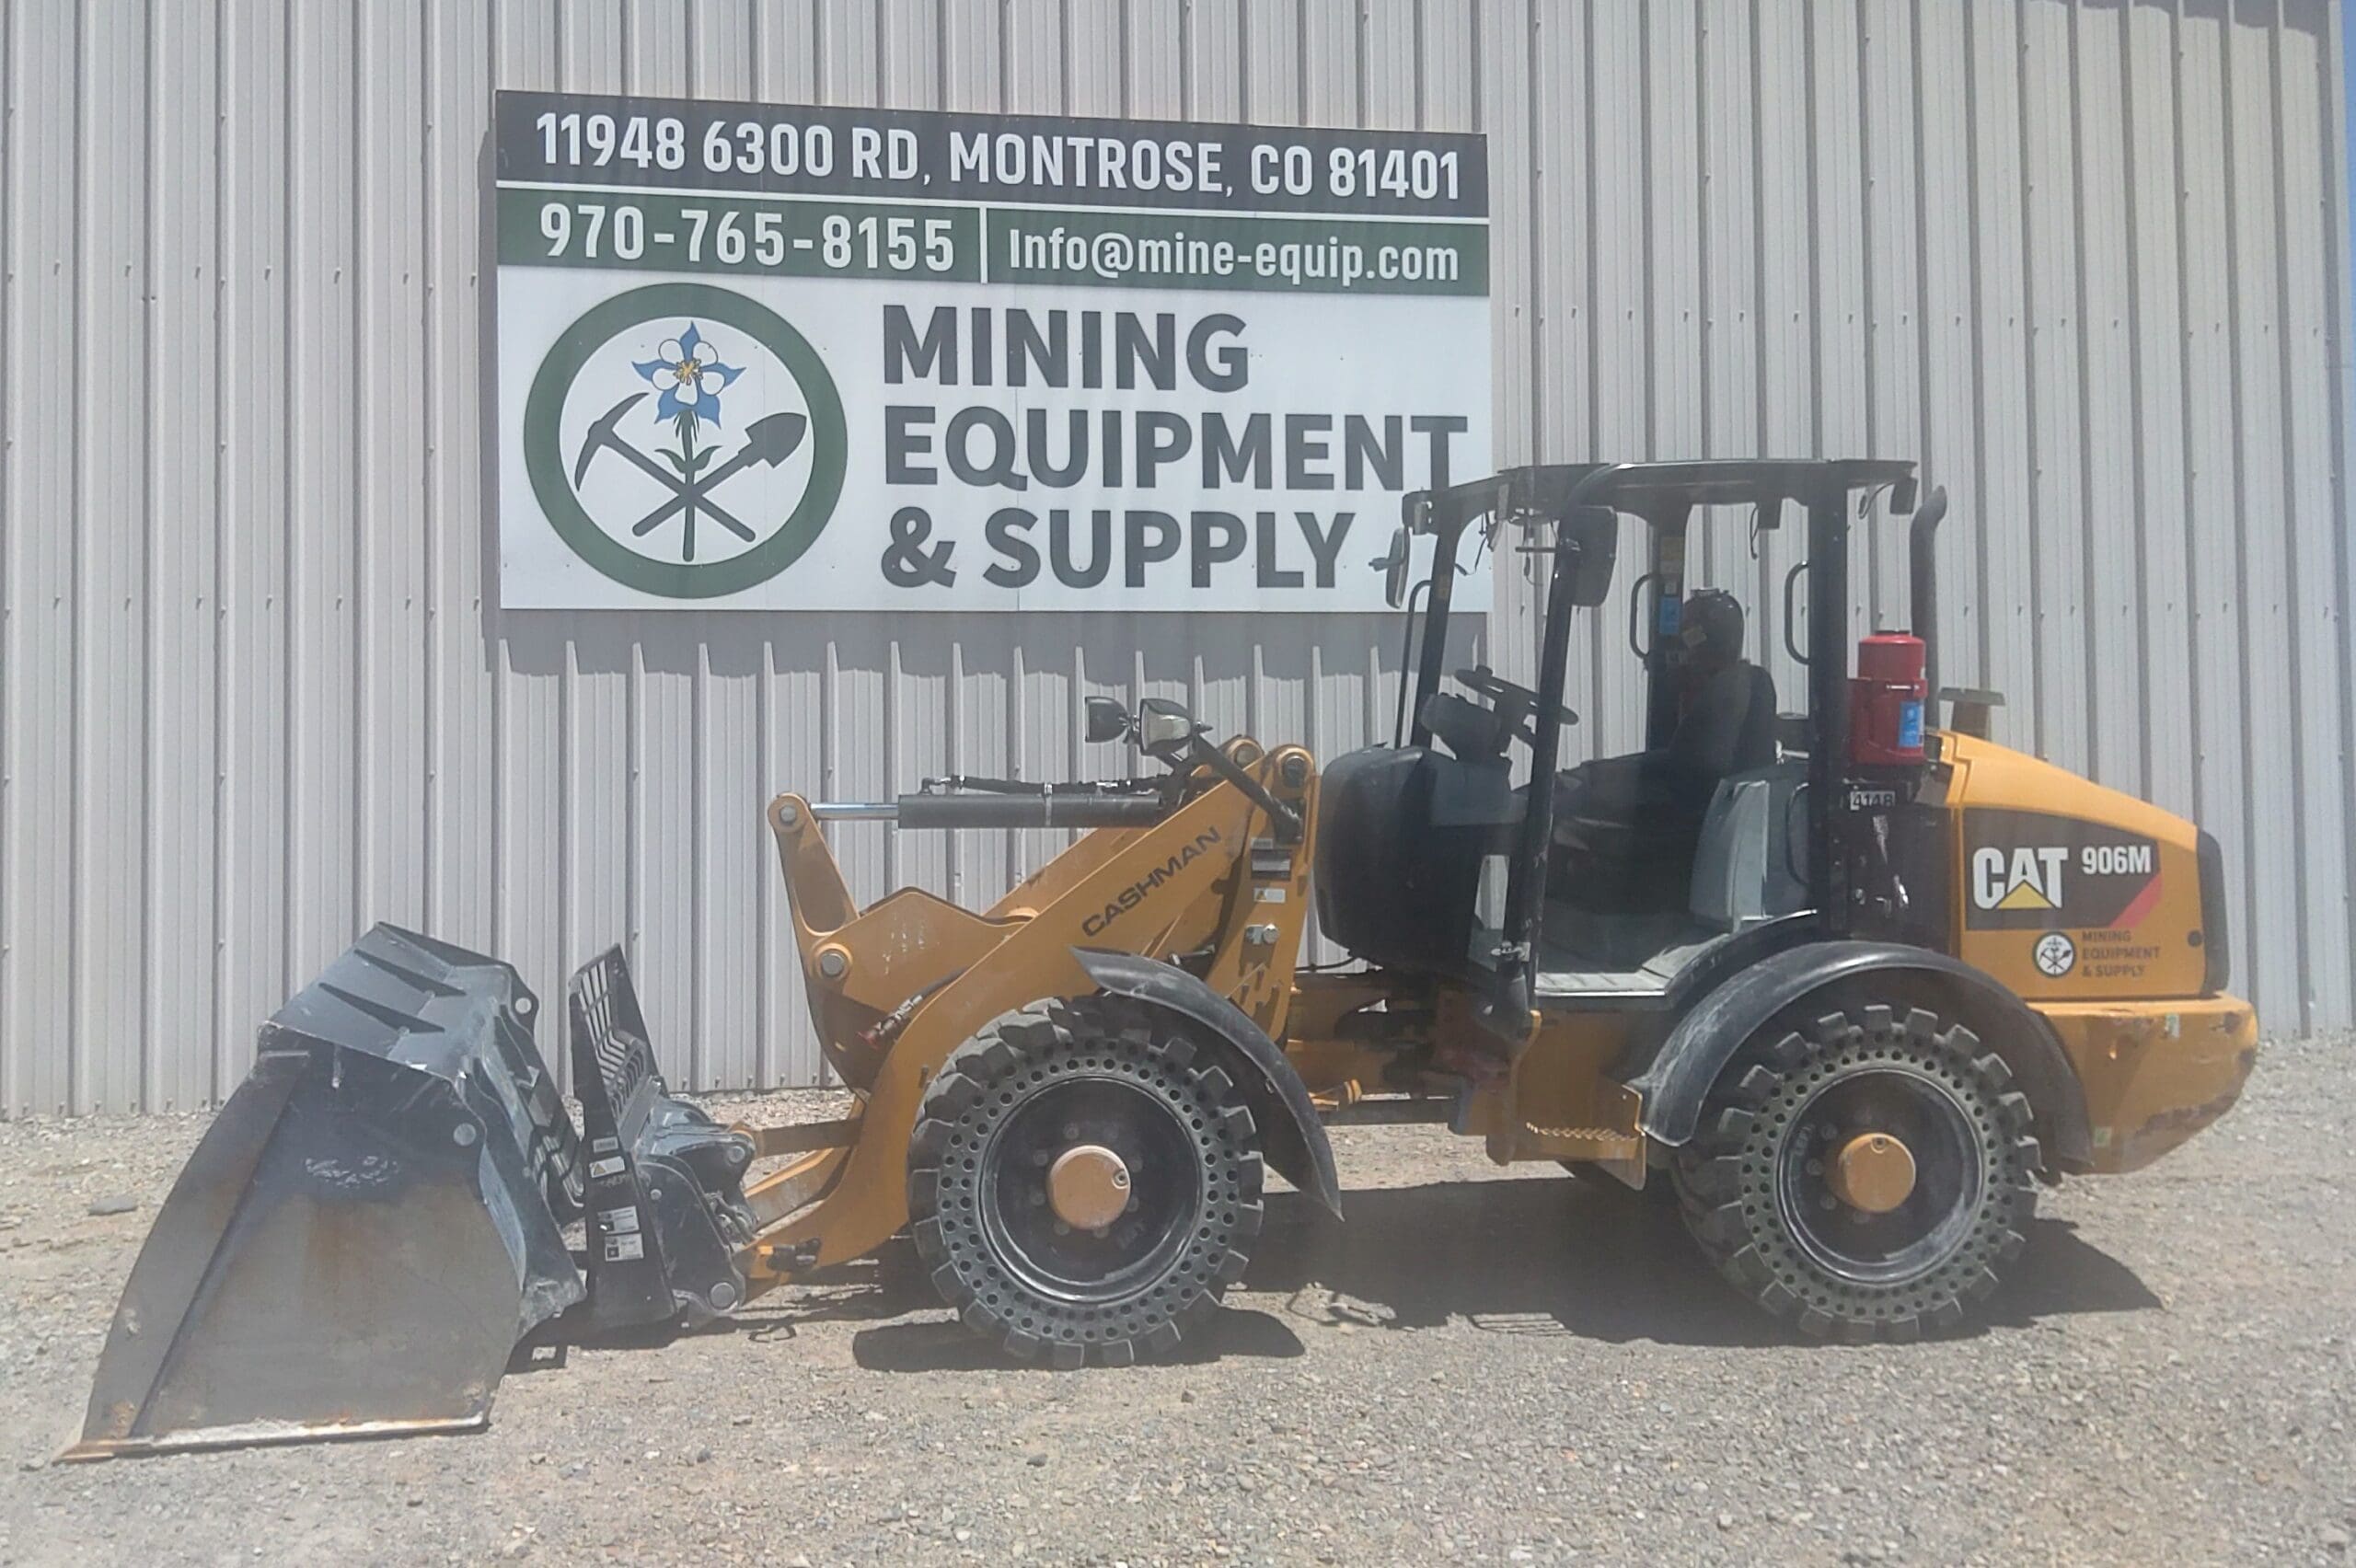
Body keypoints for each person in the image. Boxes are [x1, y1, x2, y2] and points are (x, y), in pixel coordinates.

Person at [1550, 588, 1774, 906]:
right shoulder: (1734, 684)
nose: (1683, 650)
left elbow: (1692, 765)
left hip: (1691, 811)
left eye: (1688, 638)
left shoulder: (1726, 694)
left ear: (1700, 641)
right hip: (1698, 802)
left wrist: (1593, 774)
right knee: (1577, 787)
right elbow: (1681, 760)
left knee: (1559, 806)